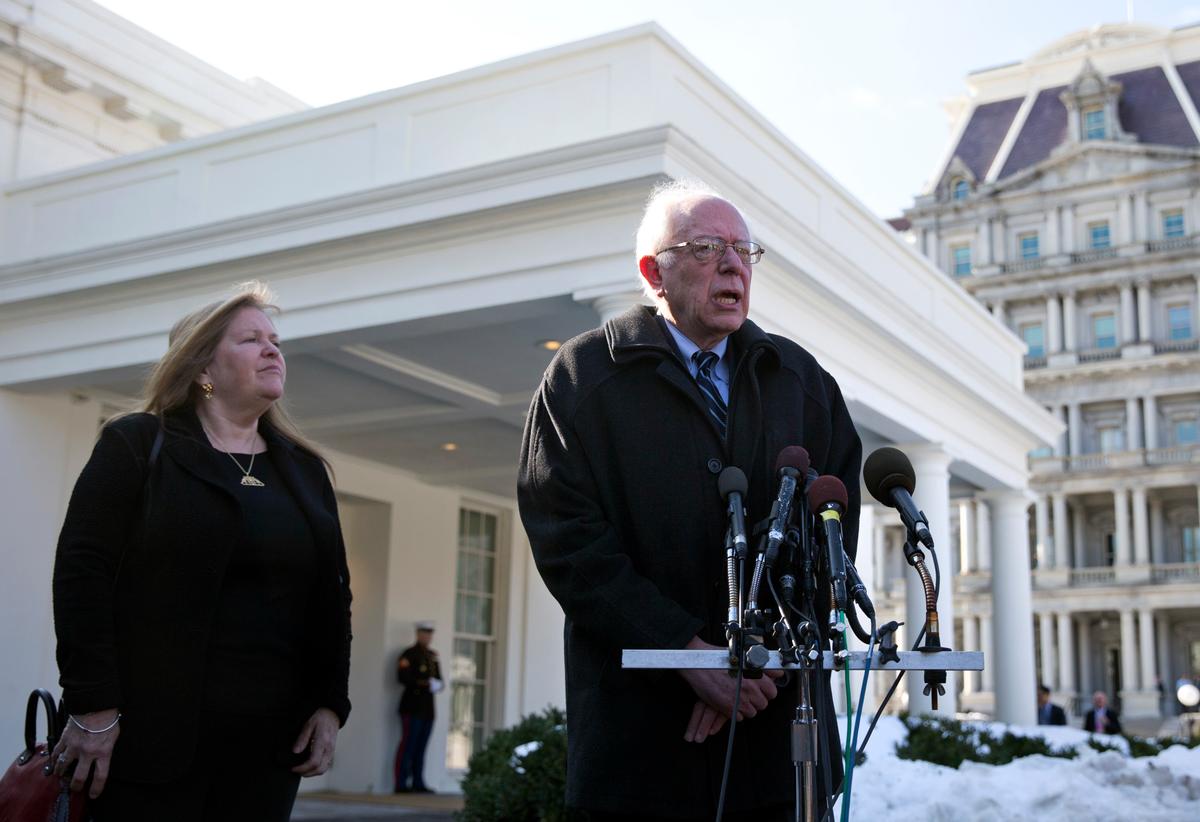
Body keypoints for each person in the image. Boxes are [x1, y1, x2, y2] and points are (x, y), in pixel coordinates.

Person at [518, 180, 862, 820]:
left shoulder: (804, 383)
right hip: (642, 741)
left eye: (744, 250)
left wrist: (744, 663)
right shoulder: (582, 378)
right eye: (707, 248)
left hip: (778, 733)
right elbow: (567, 538)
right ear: (655, 272)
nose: (733, 264)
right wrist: (687, 653)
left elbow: (829, 536)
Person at [50, 283, 353, 822]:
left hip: (268, 748)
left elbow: (332, 597)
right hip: (148, 742)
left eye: (275, 340)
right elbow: (82, 574)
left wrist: (330, 704)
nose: (272, 350)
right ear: (202, 369)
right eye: (251, 339)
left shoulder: (304, 470)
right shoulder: (137, 445)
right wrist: (93, 706)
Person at [394, 621, 442, 793]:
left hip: (427, 708)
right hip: (412, 707)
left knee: (421, 746)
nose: (427, 637)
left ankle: (418, 781)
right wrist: (423, 684)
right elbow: (403, 678)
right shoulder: (409, 654)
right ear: (418, 634)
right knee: (408, 744)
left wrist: (437, 685)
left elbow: (438, 679)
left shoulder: (432, 655)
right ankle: (400, 782)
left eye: (429, 634)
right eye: (424, 633)